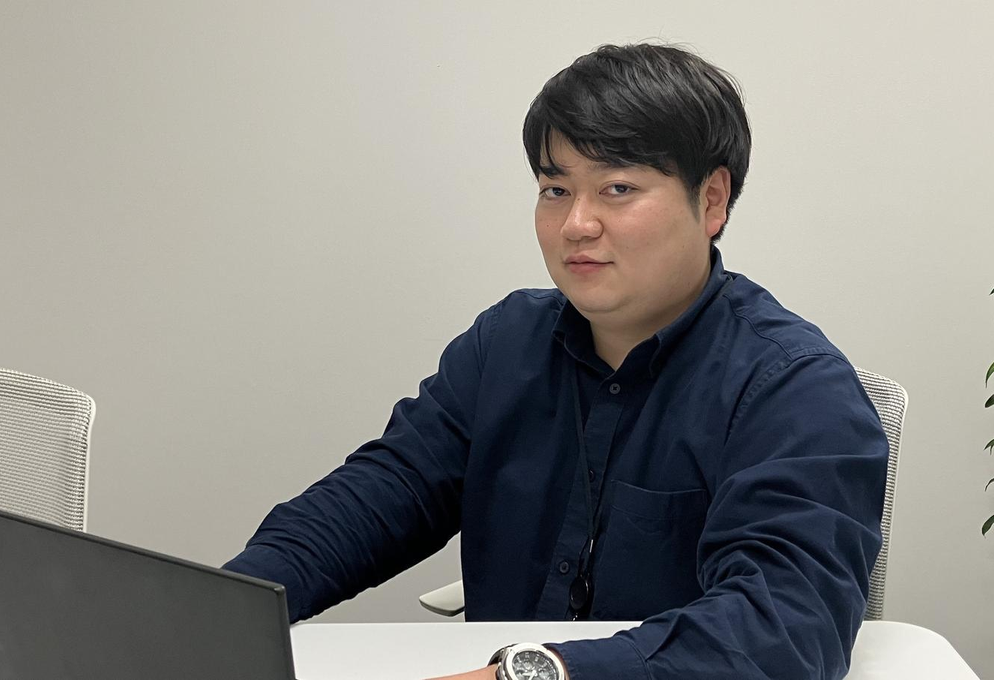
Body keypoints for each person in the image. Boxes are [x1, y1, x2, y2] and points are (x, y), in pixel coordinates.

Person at [224, 43, 889, 680]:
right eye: (555, 189)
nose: (577, 224)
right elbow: (379, 495)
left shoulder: (795, 388)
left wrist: (538, 674)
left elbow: (783, 628)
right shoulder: (506, 343)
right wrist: (225, 611)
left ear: (711, 199)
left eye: (618, 188)